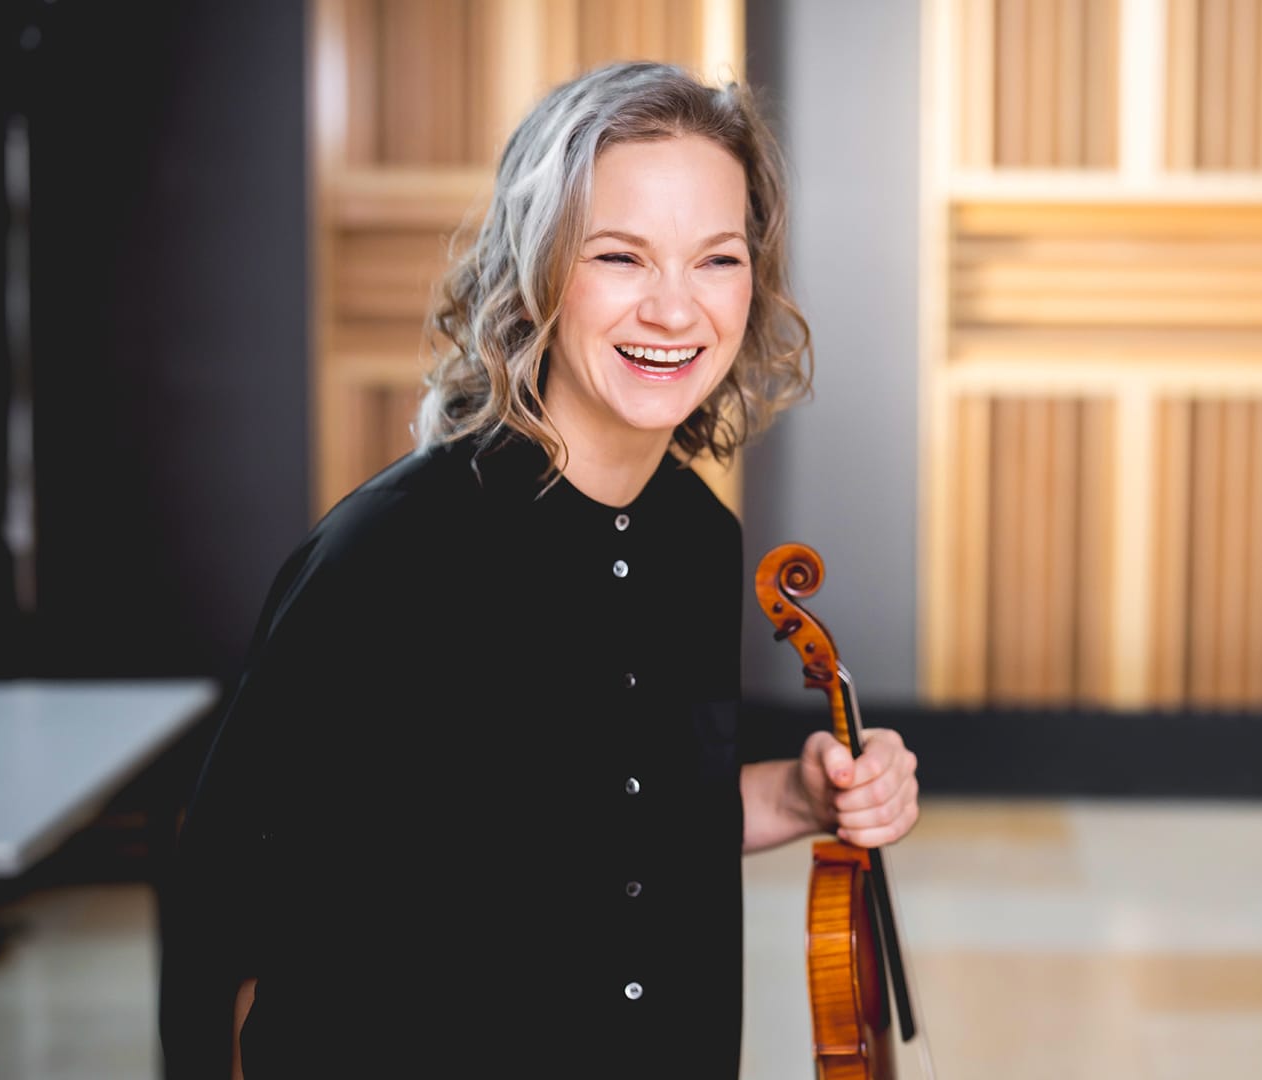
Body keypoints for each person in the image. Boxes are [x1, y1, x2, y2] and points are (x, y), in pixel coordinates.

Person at [160, 62, 921, 1079]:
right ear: (539, 268)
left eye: (717, 260)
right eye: (620, 256)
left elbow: (625, 820)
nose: (674, 308)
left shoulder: (695, 535)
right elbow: (220, 905)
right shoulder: (388, 551)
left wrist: (801, 793)